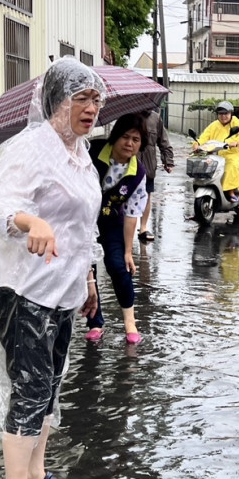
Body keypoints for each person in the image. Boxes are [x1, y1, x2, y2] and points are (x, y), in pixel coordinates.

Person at [0, 57, 104, 479]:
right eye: (81, 98)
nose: (91, 108)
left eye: (96, 99)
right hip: (24, 290)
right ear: (57, 100)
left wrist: (88, 280)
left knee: (48, 386)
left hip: (63, 290)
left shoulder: (81, 154)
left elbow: (84, 228)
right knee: (29, 389)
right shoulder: (29, 148)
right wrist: (31, 221)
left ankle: (36, 473)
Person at [83, 112, 148, 344]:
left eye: (136, 140)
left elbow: (132, 214)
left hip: (111, 222)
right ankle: (95, 323)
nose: (129, 143)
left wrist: (129, 250)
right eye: (125, 137)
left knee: (118, 266)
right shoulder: (90, 152)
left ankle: (130, 322)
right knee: (86, 272)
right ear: (115, 137)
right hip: (82, 223)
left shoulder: (138, 172)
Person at [196, 101, 239, 204]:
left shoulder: (238, 124)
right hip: (217, 154)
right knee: (205, 164)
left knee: (231, 165)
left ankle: (230, 192)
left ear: (231, 114)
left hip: (234, 154)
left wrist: (235, 142)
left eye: (226, 114)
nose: (223, 116)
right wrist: (197, 144)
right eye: (220, 114)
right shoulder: (214, 125)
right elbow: (204, 137)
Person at [136, 106, 174, 243]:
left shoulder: (155, 118)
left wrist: (168, 161)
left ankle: (143, 228)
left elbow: (164, 141)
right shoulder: (128, 116)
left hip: (148, 164)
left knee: (146, 195)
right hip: (129, 163)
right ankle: (125, 228)